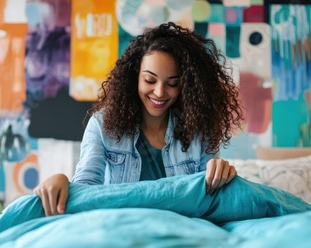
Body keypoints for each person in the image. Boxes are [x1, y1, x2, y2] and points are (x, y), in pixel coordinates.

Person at [34, 21, 245, 216]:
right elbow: (87, 188)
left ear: (187, 86)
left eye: (172, 83)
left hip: (180, 229)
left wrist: (221, 174)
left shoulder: (199, 128)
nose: (160, 92)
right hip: (122, 227)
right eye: (150, 80)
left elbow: (210, 199)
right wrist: (61, 180)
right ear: (134, 76)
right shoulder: (102, 124)